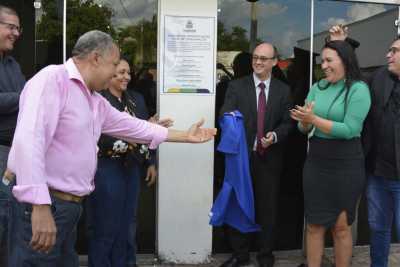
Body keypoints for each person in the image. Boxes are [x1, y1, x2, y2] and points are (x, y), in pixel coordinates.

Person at [6, 30, 216, 267]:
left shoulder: (93, 99)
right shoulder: (52, 80)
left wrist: (185, 136)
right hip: (45, 206)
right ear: (96, 58)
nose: (118, 72)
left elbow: (133, 127)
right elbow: (29, 142)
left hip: (68, 209)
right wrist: (39, 206)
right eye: (114, 64)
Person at [290, 40, 371, 267]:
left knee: (341, 227)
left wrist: (313, 119)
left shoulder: (358, 89)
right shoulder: (317, 87)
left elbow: (350, 130)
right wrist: (305, 122)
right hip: (317, 162)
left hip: (346, 164)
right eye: (322, 60)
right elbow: (303, 128)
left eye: (328, 60)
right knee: (314, 225)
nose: (323, 65)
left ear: (344, 60)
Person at [331, 24, 400, 267]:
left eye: (394, 51)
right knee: (378, 229)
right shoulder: (379, 78)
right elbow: (354, 76)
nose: (388, 55)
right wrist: (343, 44)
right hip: (377, 173)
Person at [219, 42, 293, 267]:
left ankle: (265, 254)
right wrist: (237, 130)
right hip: (242, 159)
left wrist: (275, 136)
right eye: (256, 57)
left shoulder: (283, 90)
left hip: (270, 159)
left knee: (268, 208)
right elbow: (225, 114)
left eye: (264, 58)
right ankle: (240, 254)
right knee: (240, 205)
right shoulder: (236, 86)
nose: (258, 62)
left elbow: (288, 121)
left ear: (273, 62)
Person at [86, 57, 159, 267]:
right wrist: (132, 135)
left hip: (132, 167)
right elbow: (97, 135)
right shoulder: (98, 100)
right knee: (106, 224)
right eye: (120, 72)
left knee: (128, 223)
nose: (126, 76)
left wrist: (150, 162)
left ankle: (126, 262)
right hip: (105, 168)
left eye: (128, 72)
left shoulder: (136, 99)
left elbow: (146, 132)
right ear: (109, 74)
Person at [0, 4, 25, 266]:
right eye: (11, 27)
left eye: (18, 28)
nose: (16, 33)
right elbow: (24, 98)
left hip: (14, 156)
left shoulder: (12, 64)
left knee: (14, 223)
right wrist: (22, 97)